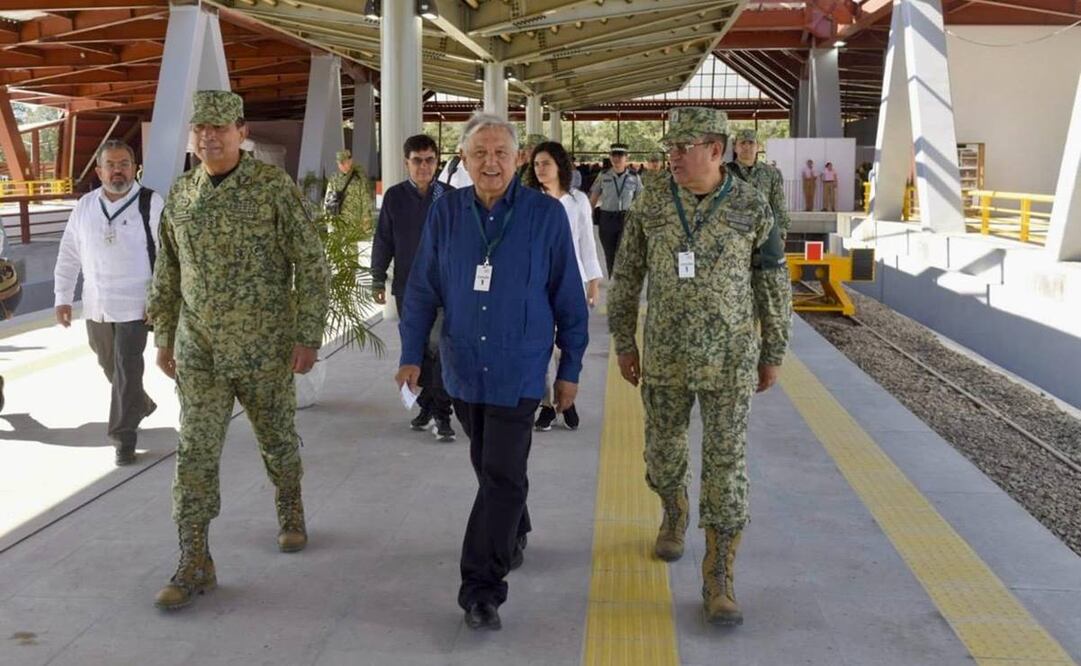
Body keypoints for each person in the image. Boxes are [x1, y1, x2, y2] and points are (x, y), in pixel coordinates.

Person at [396, 112, 588, 631]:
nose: (491, 162)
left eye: (502, 152)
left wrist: (570, 367)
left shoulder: (544, 217)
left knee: (500, 475)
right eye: (479, 153)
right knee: (490, 464)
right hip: (463, 367)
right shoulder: (447, 213)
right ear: (463, 160)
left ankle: (481, 588)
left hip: (519, 366)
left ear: (519, 158)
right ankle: (515, 526)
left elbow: (569, 298)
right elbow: (421, 289)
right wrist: (411, 353)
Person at [607, 106, 791, 627]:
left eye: (682, 148)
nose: (672, 157)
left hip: (731, 360)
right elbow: (627, 274)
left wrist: (773, 350)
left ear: (716, 149)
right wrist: (624, 340)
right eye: (670, 148)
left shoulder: (753, 206)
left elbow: (771, 282)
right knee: (662, 452)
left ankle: (719, 573)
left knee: (726, 466)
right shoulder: (654, 201)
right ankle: (674, 510)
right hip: (664, 355)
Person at [147, 90, 330, 611]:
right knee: (195, 453)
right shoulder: (181, 193)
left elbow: (310, 264)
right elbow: (169, 269)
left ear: (241, 132)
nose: (209, 135)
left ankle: (290, 507)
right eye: (201, 127)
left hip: (264, 348)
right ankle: (194, 558)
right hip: (199, 349)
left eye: (220, 127)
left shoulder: (273, 187)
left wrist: (307, 336)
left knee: (275, 439)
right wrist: (163, 335)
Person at [54, 139, 163, 466]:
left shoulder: (150, 202)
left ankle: (123, 438)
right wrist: (63, 297)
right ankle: (139, 404)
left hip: (136, 304)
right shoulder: (85, 206)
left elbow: (168, 255)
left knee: (128, 367)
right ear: (99, 170)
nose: (118, 170)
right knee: (108, 363)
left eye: (124, 164)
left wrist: (157, 297)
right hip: (97, 303)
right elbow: (69, 254)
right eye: (111, 165)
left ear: (135, 168)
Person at [371, 134, 456, 441]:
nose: (423, 166)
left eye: (429, 160)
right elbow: (383, 240)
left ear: (437, 162)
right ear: (406, 162)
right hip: (407, 288)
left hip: (444, 289)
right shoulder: (394, 197)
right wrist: (378, 278)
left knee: (441, 350)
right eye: (417, 161)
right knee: (416, 350)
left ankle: (443, 414)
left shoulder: (449, 196)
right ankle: (426, 406)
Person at [525, 141, 603, 432]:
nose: (540, 169)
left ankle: (567, 400)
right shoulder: (528, 201)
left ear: (560, 165)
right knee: (542, 345)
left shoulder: (578, 200)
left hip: (572, 282)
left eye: (546, 163)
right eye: (536, 164)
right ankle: (546, 405)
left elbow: (586, 242)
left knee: (568, 346)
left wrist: (594, 284)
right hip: (537, 283)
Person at [590, 142, 642, 276]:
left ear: (627, 158)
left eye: (620, 155)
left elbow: (640, 200)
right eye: (614, 155)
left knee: (625, 251)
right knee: (609, 252)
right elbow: (594, 196)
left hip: (627, 218)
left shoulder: (634, 177)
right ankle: (613, 278)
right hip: (607, 219)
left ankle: (622, 279)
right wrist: (587, 216)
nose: (617, 158)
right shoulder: (603, 175)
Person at [727, 129, 790, 239]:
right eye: (742, 143)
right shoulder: (724, 172)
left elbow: (778, 204)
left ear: (758, 147)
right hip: (733, 235)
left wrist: (782, 231)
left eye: (751, 143)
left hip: (763, 234)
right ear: (735, 147)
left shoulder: (771, 173)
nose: (746, 147)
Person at [324, 149, 375, 239]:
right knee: (335, 250)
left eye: (344, 162)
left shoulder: (359, 178)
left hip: (353, 222)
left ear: (350, 161)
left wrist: (366, 220)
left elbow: (365, 199)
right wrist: (327, 218)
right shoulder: (334, 179)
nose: (342, 166)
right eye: (340, 163)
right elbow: (328, 200)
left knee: (352, 250)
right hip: (337, 221)